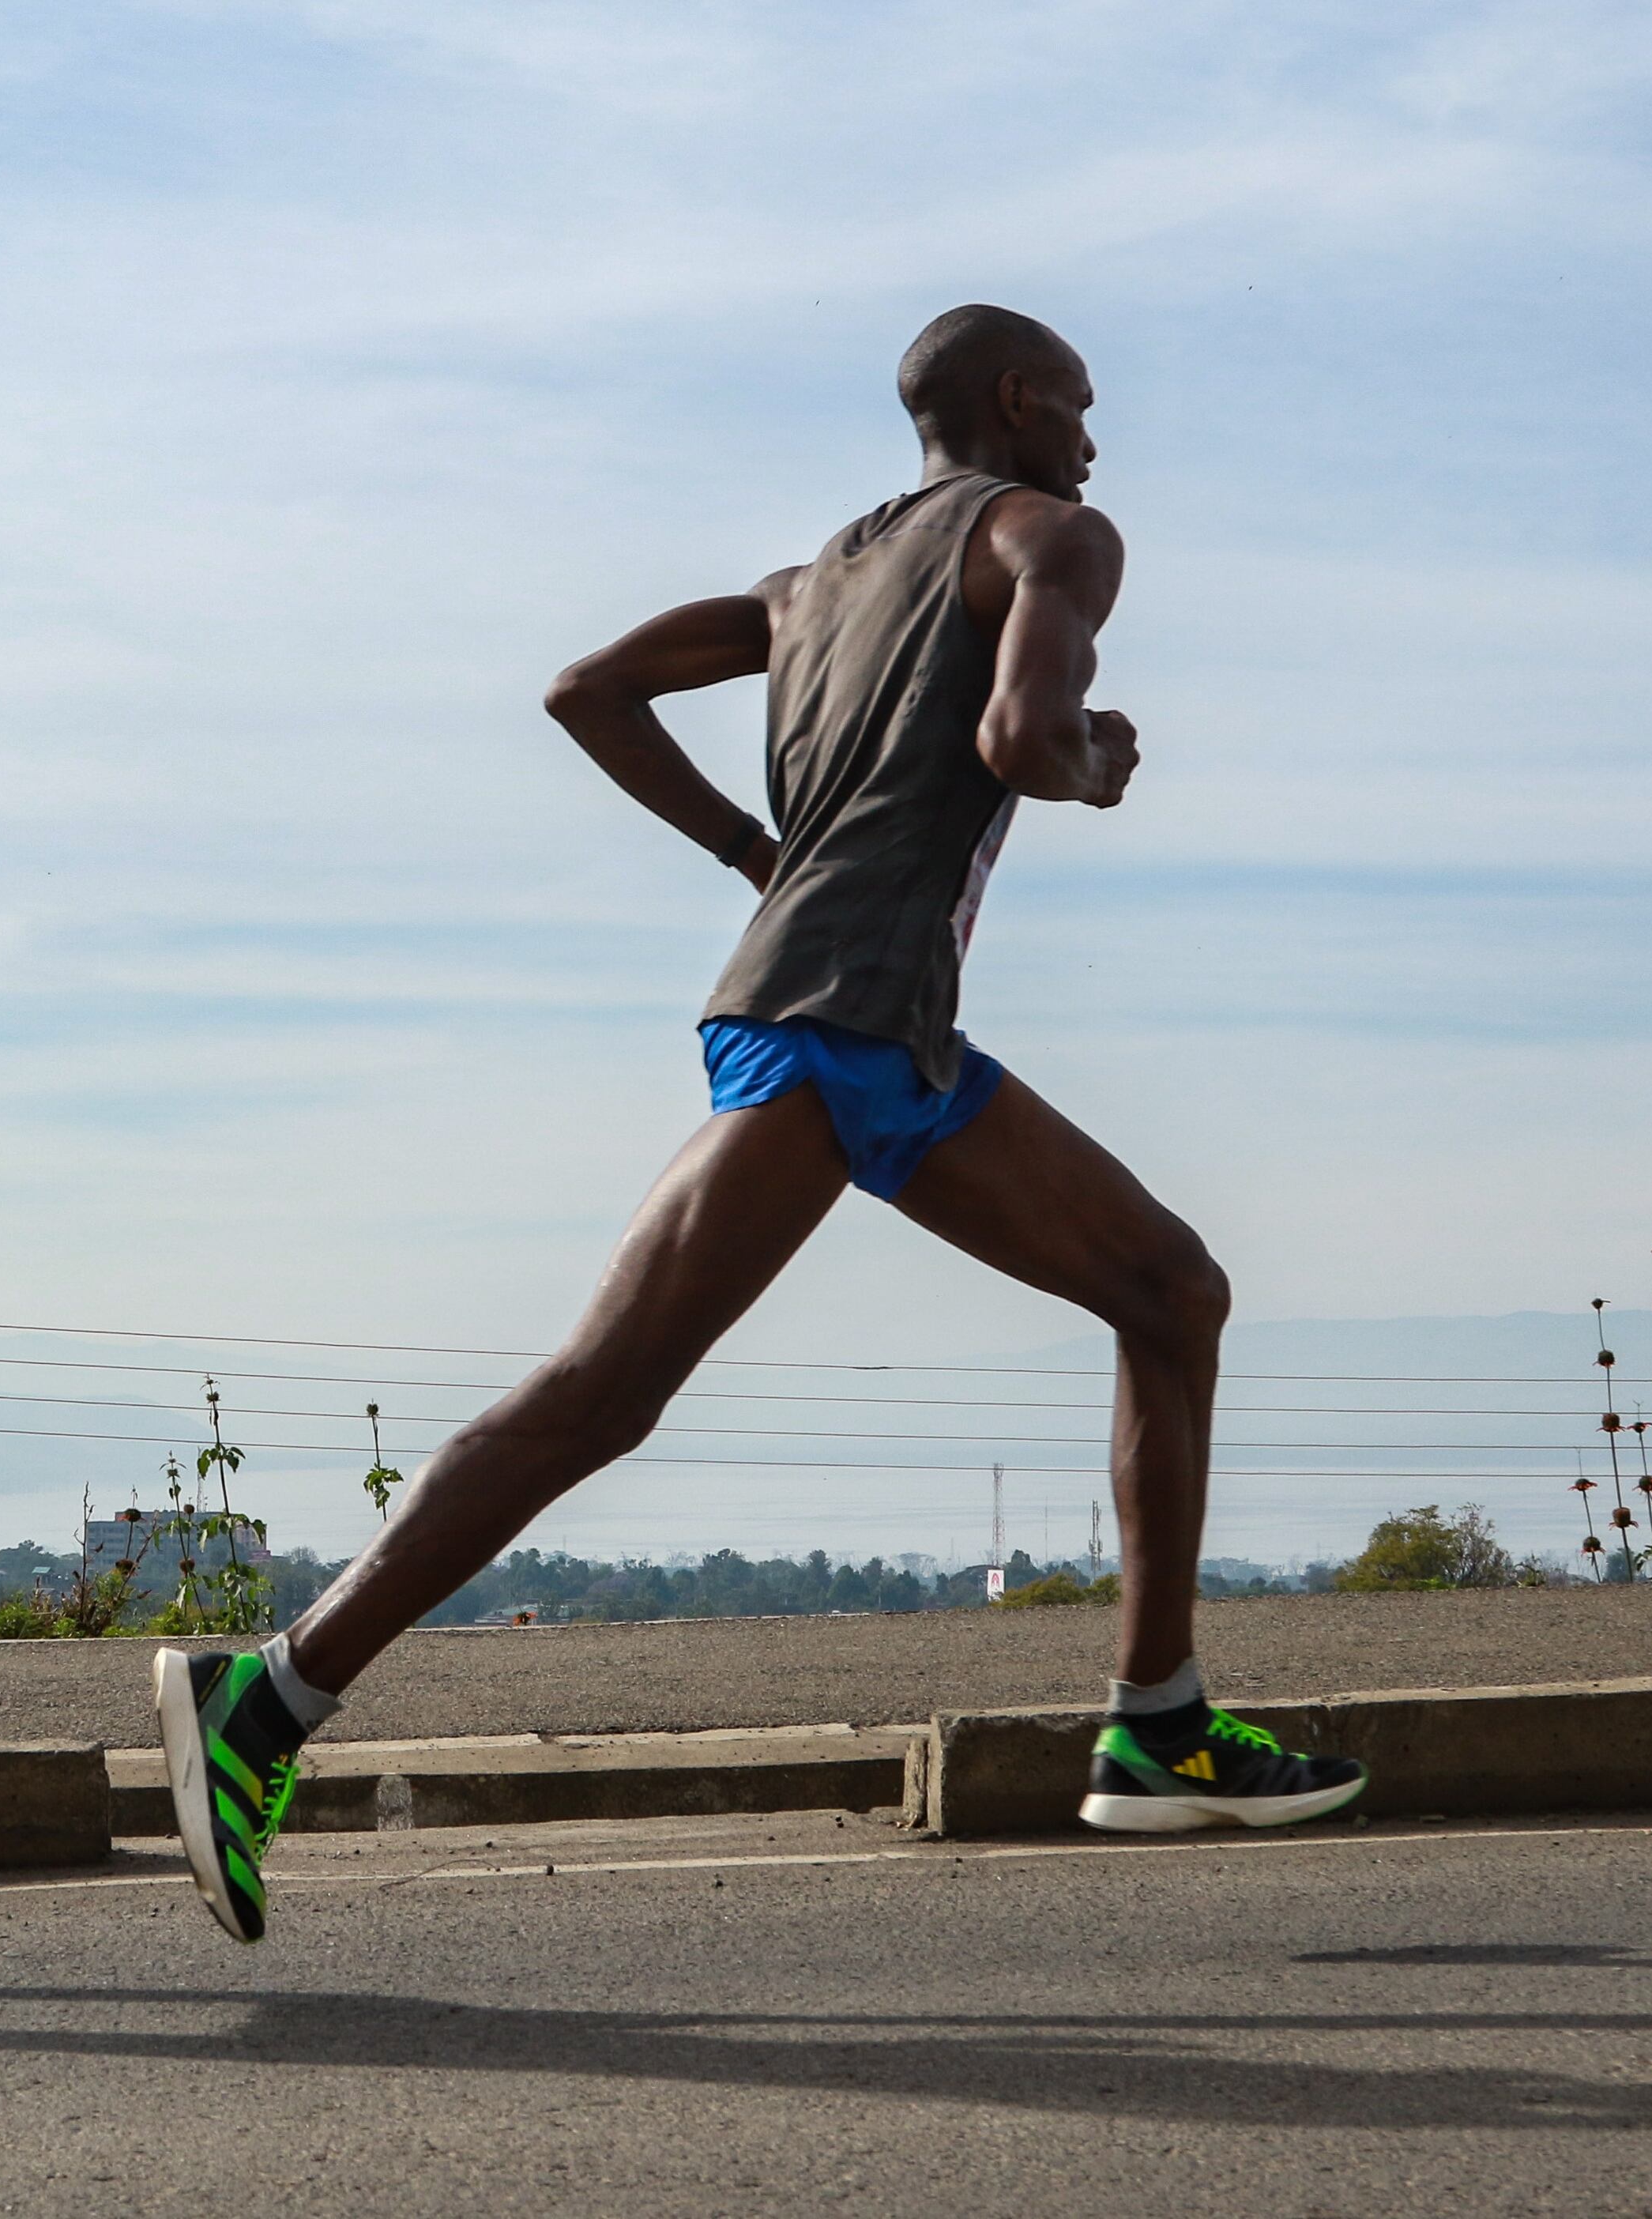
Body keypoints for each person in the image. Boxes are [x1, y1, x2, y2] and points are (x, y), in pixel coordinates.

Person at [158, 306, 1366, 1944]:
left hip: (872, 1027)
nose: (1095, 438)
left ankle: (1157, 1725)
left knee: (1168, 1289)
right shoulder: (1054, 538)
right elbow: (1018, 735)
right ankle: (270, 1696)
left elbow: (590, 691)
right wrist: (1089, 762)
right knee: (601, 1394)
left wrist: (752, 850)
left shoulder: (809, 588)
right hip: (835, 1023)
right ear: (1015, 404)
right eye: (1080, 406)